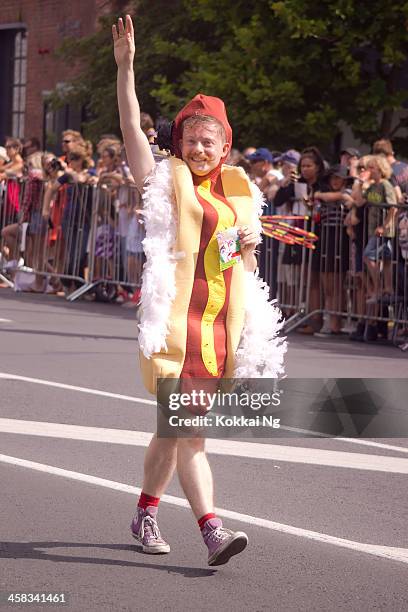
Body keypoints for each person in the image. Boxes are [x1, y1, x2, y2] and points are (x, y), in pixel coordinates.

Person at [113, 14, 285, 566]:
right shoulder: (164, 179)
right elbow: (132, 133)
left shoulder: (238, 195)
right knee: (189, 434)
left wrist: (251, 239)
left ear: (225, 146)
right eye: (191, 139)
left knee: (172, 429)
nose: (199, 149)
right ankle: (212, 528)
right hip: (174, 325)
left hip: (215, 330)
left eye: (209, 141)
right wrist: (126, 69)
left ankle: (144, 512)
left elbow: (242, 270)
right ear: (180, 142)